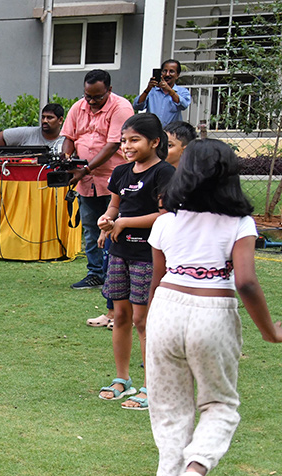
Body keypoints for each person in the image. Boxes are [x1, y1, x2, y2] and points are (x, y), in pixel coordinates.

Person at [144, 139, 282, 476]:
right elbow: (248, 284)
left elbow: (155, 284)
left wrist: (151, 336)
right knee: (219, 404)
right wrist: (270, 331)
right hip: (212, 313)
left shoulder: (166, 222)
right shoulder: (239, 224)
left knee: (170, 412)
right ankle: (197, 465)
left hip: (166, 310)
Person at [95, 114, 174, 411]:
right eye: (124, 140)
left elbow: (165, 214)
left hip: (148, 255)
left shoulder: (164, 173)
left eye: (134, 140)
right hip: (119, 252)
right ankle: (121, 379)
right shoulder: (121, 171)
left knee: (144, 321)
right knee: (120, 316)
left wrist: (125, 222)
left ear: (154, 142)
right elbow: (114, 205)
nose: (127, 146)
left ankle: (151, 386)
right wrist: (108, 220)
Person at [62, 69, 135, 291]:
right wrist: (67, 161)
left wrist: (84, 169)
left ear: (109, 90)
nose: (91, 101)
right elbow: (69, 138)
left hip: (114, 178)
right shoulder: (78, 107)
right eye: (88, 96)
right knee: (91, 228)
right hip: (87, 181)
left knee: (115, 227)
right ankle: (95, 273)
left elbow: (113, 145)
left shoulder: (121, 108)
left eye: (97, 97)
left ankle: (116, 273)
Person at [134, 59, 191, 126]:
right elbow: (137, 105)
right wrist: (148, 88)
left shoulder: (182, 92)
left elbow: (183, 105)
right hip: (152, 131)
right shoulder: (152, 91)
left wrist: (170, 90)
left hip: (171, 133)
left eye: (171, 72)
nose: (167, 74)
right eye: (164, 71)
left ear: (177, 75)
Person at [0, 104, 66, 152]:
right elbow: (1, 136)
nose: (44, 121)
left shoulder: (67, 140)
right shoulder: (27, 133)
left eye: (49, 118)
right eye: (43, 117)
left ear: (60, 120)